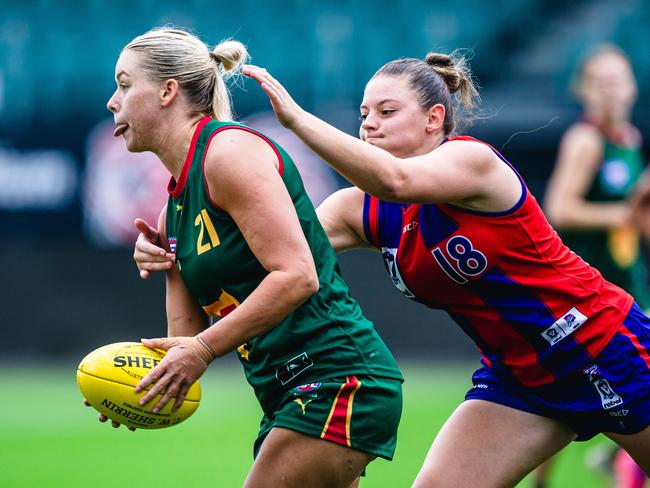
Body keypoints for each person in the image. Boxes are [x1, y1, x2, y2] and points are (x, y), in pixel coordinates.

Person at [134, 50, 650, 487]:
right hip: (520, 378)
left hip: (602, 344)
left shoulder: (473, 163)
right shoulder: (359, 208)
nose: (368, 124)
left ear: (434, 120)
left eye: (386, 111)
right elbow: (260, 254)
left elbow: (397, 180)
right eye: (363, 114)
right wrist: (172, 252)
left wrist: (295, 121)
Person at [95, 27, 405, 488]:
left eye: (124, 84)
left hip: (339, 378)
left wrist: (200, 351)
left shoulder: (228, 153)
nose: (111, 102)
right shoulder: (170, 210)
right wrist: (133, 389)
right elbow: (183, 338)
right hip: (287, 395)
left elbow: (299, 276)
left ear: (167, 91)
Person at [543, 45, 649, 488]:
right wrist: (620, 214)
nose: (613, 91)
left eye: (619, 80)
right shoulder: (585, 139)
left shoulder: (630, 139)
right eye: (602, 82)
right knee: (553, 399)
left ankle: (617, 459)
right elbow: (560, 207)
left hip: (625, 280)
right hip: (582, 288)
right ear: (584, 90)